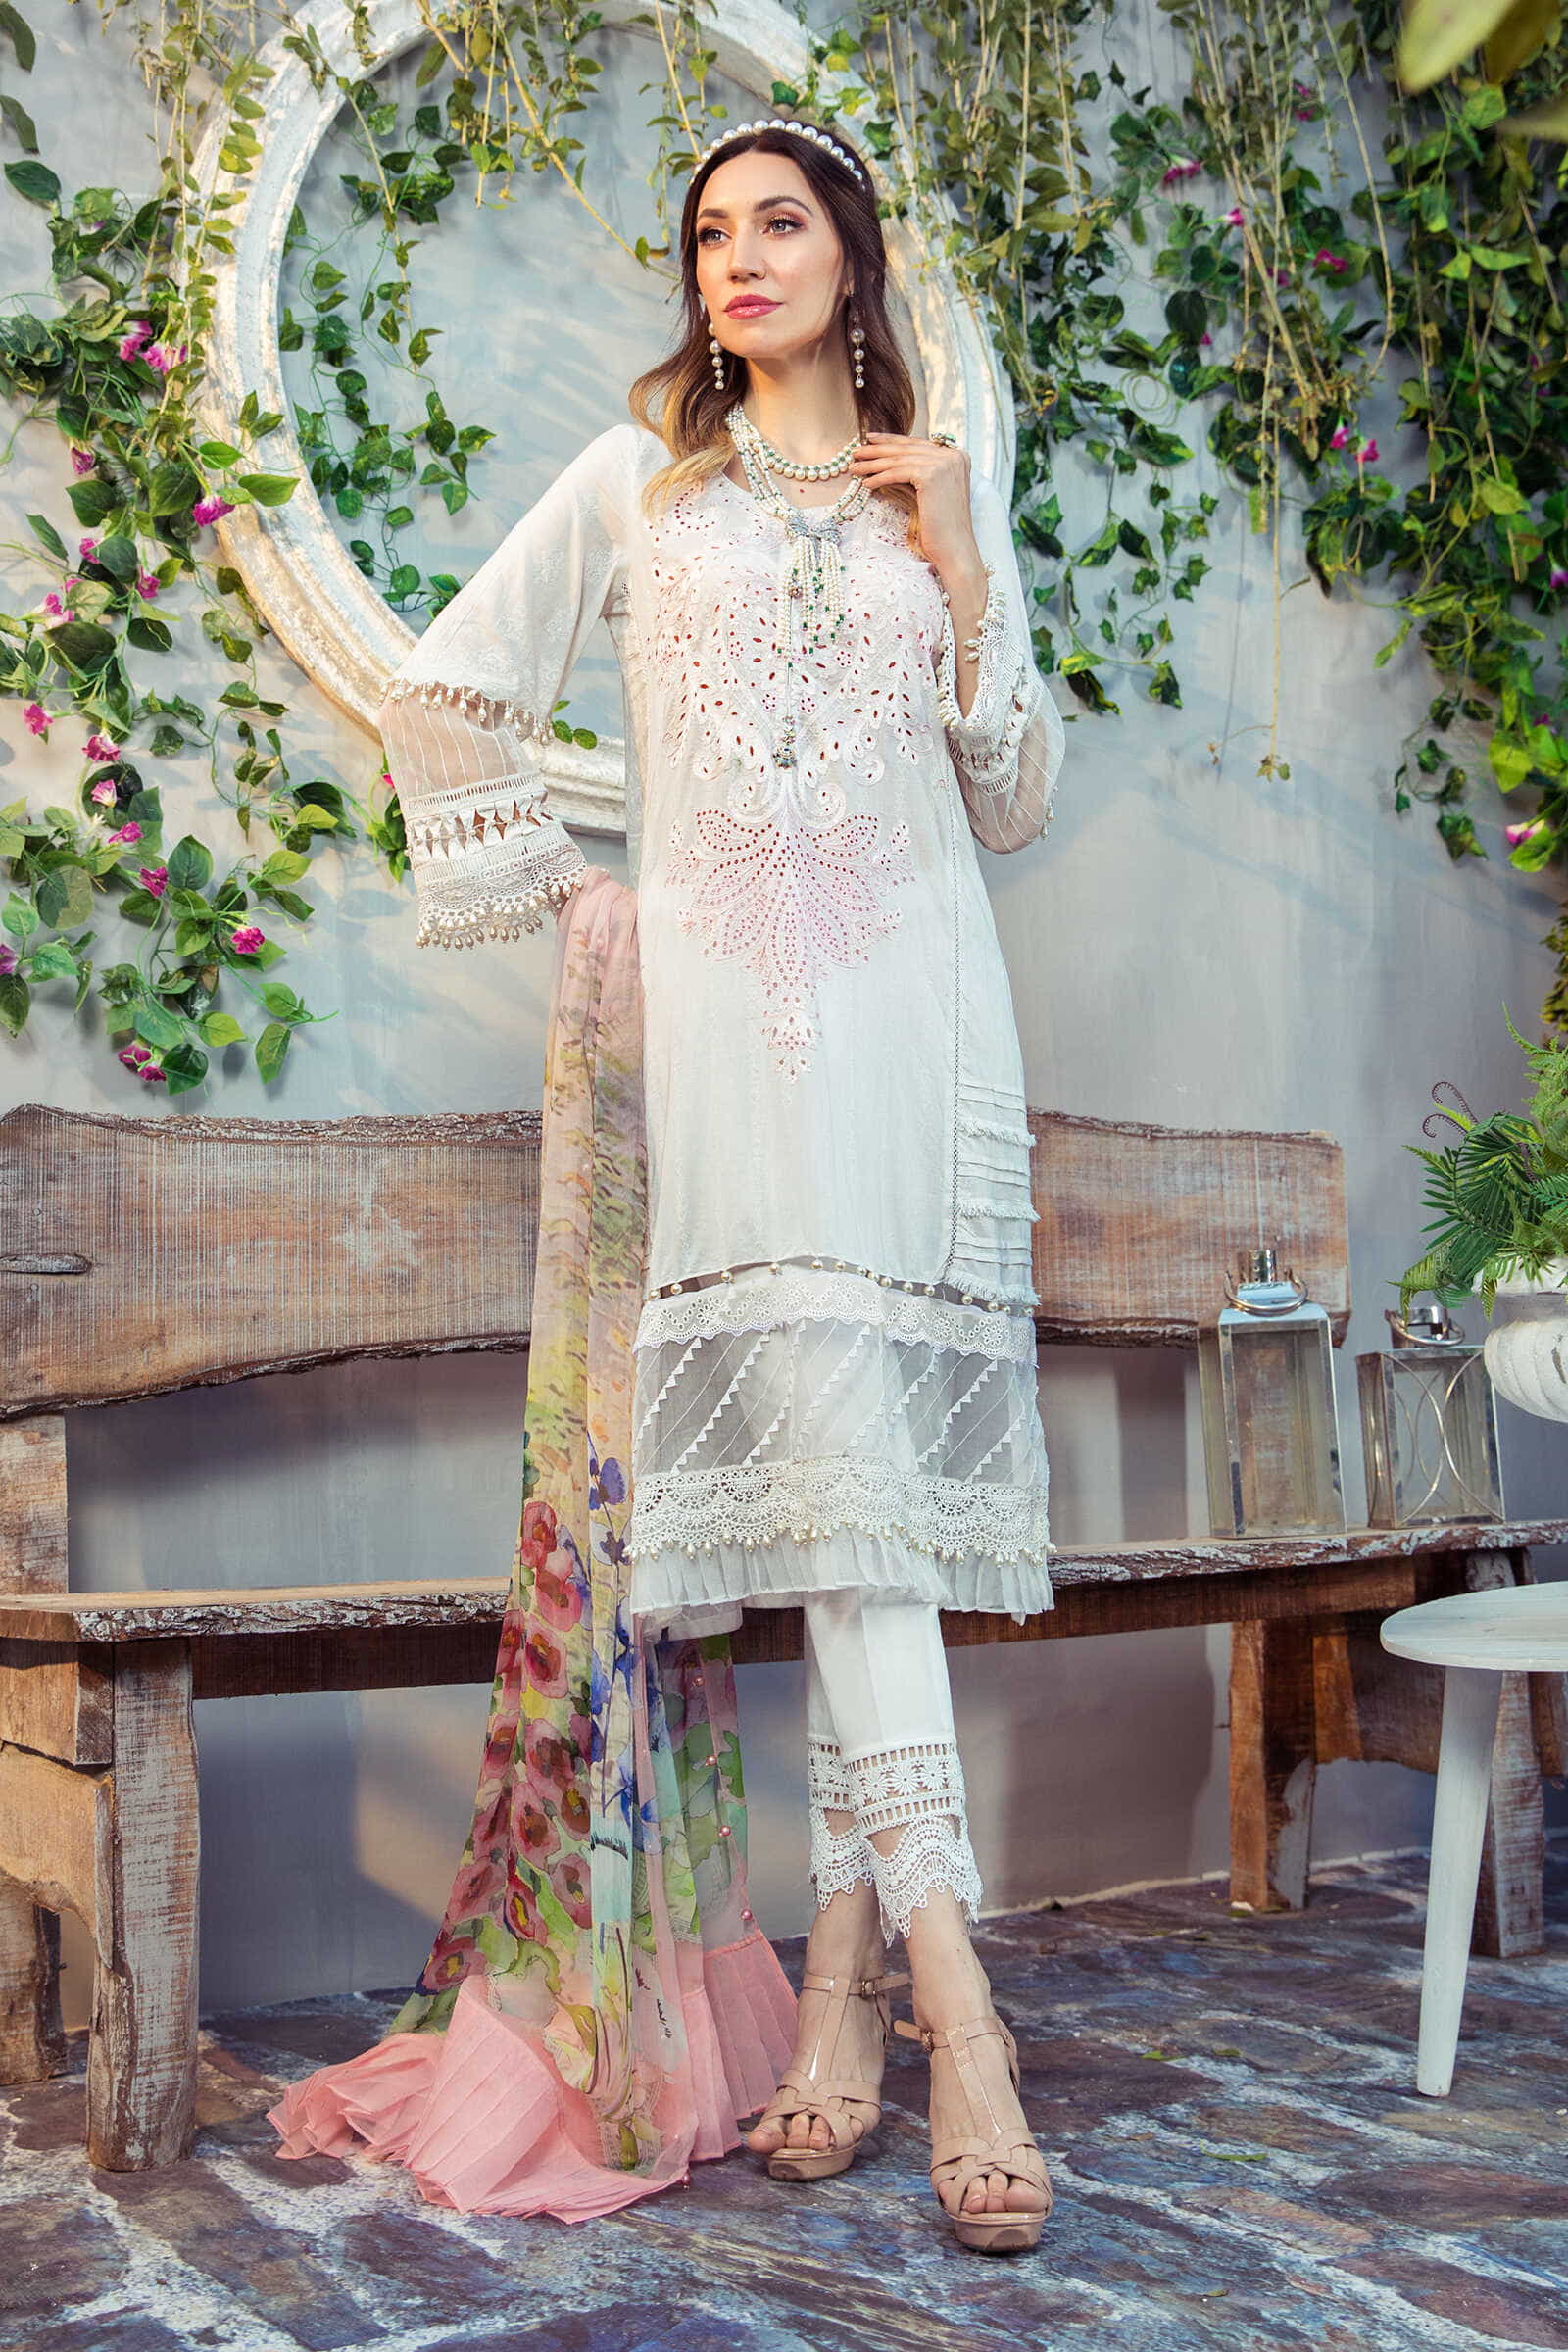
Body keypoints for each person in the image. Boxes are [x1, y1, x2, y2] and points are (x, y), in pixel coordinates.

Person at [366, 113, 1064, 2253]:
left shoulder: (933, 494)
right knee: (848, 1503)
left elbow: (1015, 796)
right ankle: (965, 2010)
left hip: (921, 1030)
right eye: (705, 235)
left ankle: (849, 1999)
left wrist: (959, 558)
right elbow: (445, 694)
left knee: (867, 1519)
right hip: (738, 1058)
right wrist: (594, 904)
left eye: (776, 224)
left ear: (851, 260)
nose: (733, 260)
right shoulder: (635, 487)